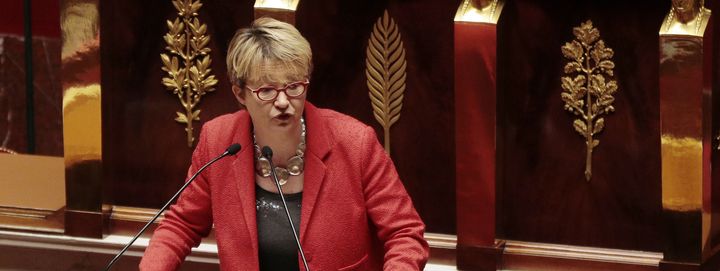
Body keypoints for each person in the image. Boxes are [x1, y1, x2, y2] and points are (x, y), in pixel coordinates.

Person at [139, 17, 429, 270]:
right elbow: (181, 225)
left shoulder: (356, 143)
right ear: (240, 93)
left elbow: (405, 234)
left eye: (293, 87)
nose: (282, 102)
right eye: (266, 90)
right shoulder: (218, 141)